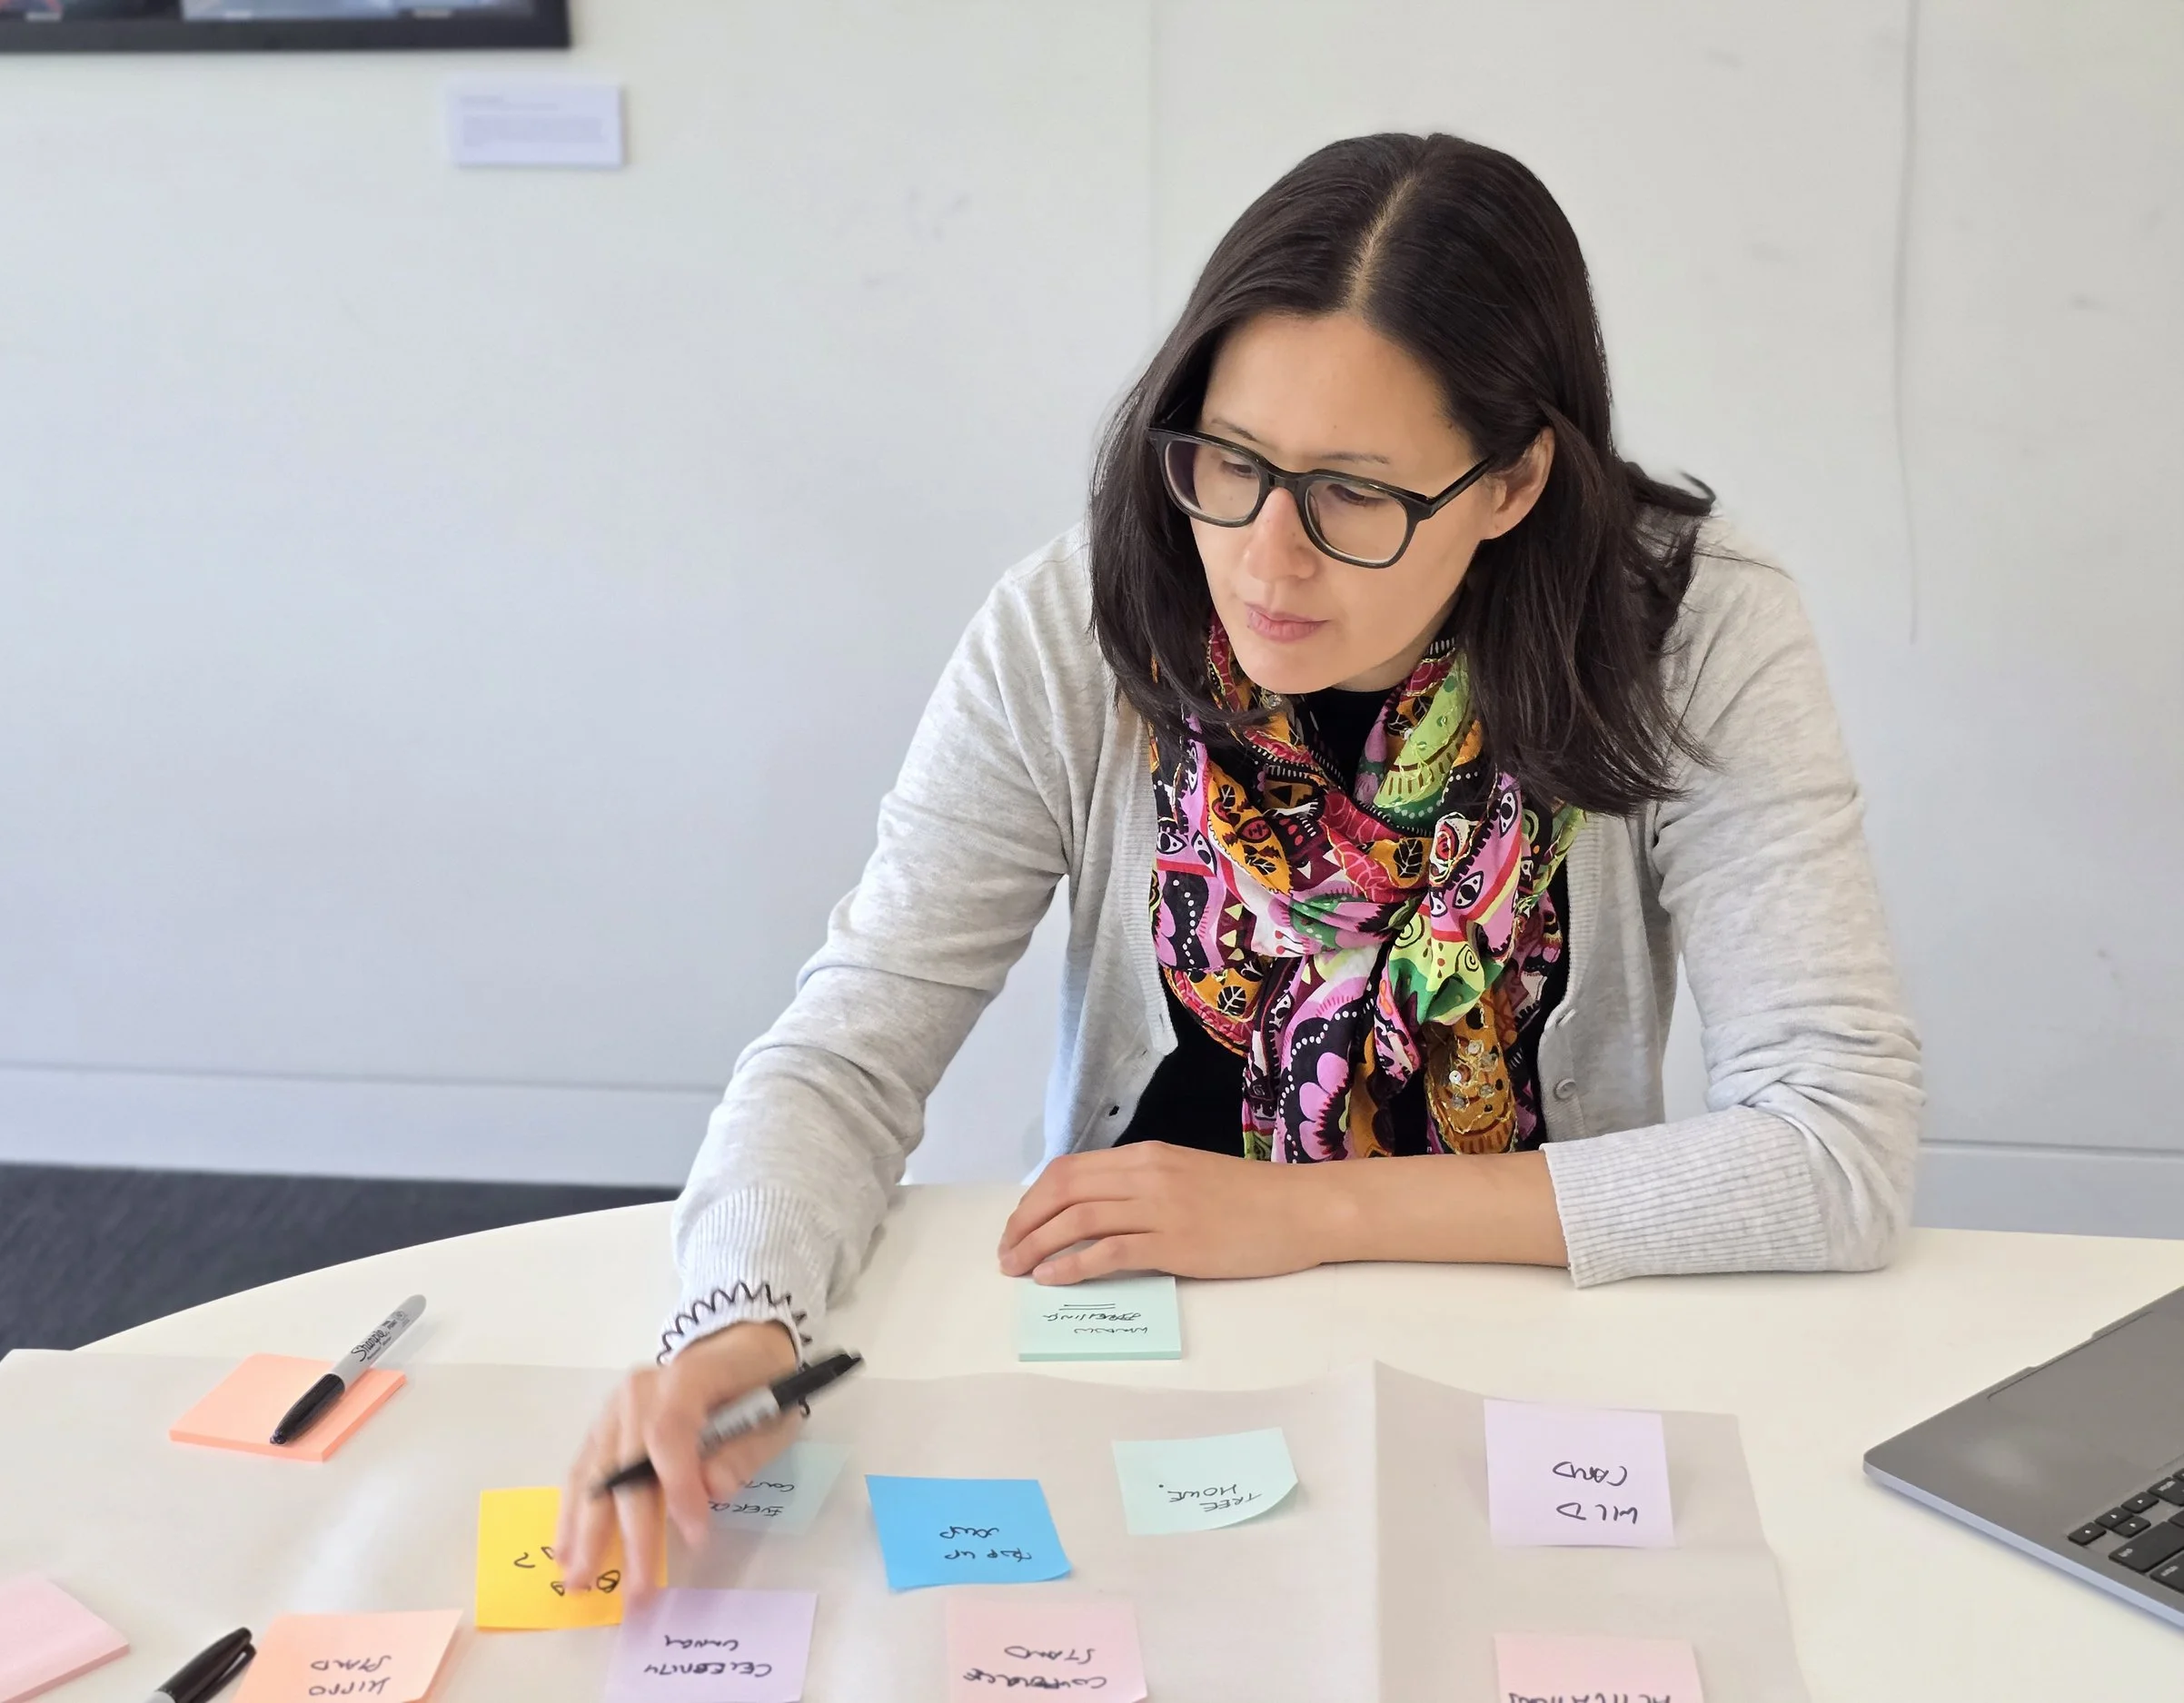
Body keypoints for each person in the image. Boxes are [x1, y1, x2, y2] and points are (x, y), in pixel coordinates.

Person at [557, 130, 1921, 1586]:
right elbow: (847, 1047)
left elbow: (1835, 1145)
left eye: (1353, 495)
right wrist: (738, 1315)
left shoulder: (1691, 633)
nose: (1268, 560)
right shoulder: (1071, 631)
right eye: (1231, 462)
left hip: (1520, 1345)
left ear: (1513, 483)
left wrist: (1311, 1207)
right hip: (1139, 1348)